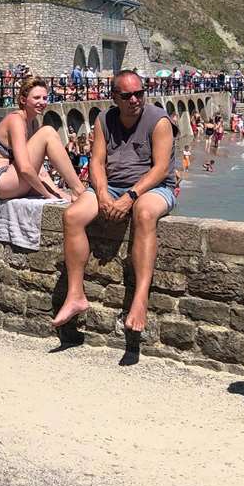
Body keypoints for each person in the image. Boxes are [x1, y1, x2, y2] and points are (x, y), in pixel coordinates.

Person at [56, 71, 179, 332]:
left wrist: (130, 196)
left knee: (144, 214)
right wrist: (101, 194)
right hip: (111, 187)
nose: (134, 100)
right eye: (127, 95)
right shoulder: (104, 119)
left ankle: (140, 298)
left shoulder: (159, 121)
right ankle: (76, 294)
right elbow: (97, 161)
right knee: (72, 216)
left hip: (154, 188)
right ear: (115, 97)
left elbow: (160, 169)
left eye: (139, 93)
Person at [0, 77, 86, 201]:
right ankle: (79, 189)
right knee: (47, 132)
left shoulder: (34, 122)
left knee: (63, 196)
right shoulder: (16, 120)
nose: (42, 102)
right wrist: (48, 196)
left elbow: (39, 168)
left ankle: (77, 191)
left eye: (45, 98)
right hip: (1, 181)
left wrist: (57, 192)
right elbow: (25, 168)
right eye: (36, 98)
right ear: (23, 100)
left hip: (15, 179)